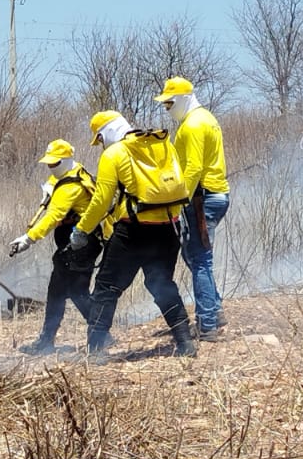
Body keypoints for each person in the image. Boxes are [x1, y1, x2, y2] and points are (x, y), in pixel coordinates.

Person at [70, 110, 196, 358]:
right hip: (168, 228)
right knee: (161, 284)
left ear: (106, 132)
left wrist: (81, 230)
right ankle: (185, 342)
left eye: (100, 139)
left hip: (133, 232)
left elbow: (101, 200)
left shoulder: (114, 154)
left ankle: (94, 352)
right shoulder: (162, 144)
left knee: (107, 288)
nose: (101, 145)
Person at [7, 140, 104, 355]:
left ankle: (97, 335)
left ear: (67, 159)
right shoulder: (76, 171)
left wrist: (28, 238)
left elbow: (53, 216)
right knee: (66, 291)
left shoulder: (70, 186)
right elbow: (56, 180)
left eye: (55, 163)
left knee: (68, 291)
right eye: (49, 164)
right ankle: (91, 334)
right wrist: (50, 187)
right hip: (81, 243)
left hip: (80, 245)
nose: (51, 167)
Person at [155, 77, 231, 341]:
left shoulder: (194, 125)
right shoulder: (205, 118)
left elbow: (195, 168)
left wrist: (179, 201)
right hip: (213, 195)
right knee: (195, 257)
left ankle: (208, 324)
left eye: (169, 103)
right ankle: (214, 310)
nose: (167, 108)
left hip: (202, 198)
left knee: (199, 260)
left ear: (184, 98)